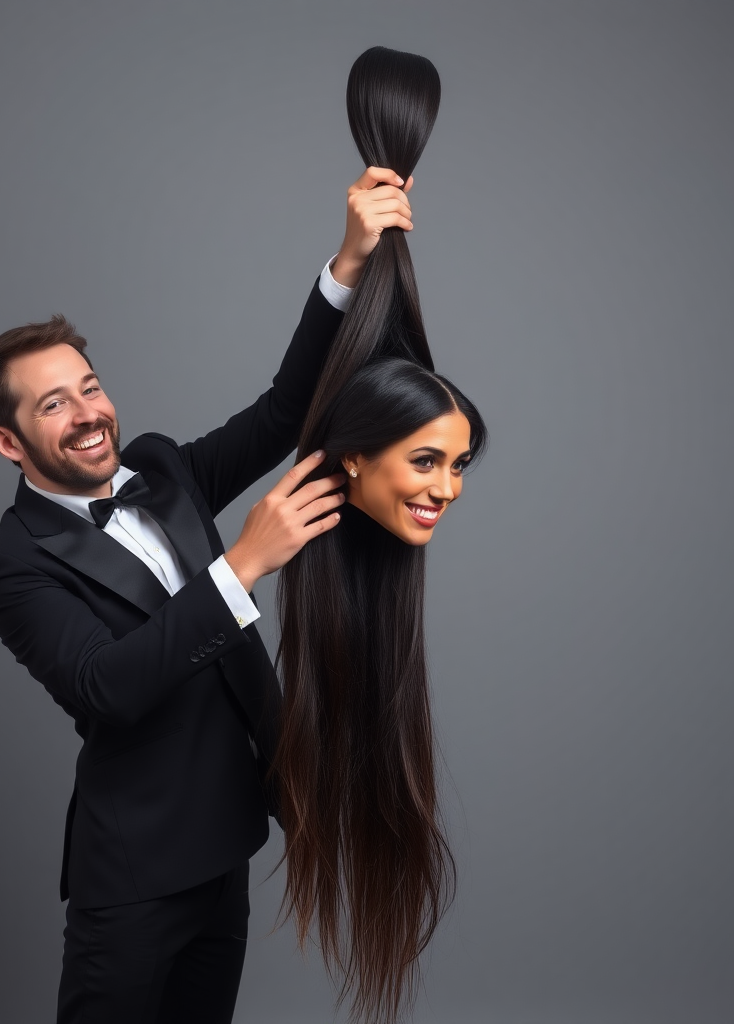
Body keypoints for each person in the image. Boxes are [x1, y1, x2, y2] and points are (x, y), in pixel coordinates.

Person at [0, 166, 413, 1024]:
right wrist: (241, 565)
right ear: (5, 439)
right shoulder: (6, 562)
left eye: (90, 386)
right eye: (53, 404)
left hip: (229, 841)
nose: (88, 412)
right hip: (133, 872)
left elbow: (283, 413)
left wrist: (349, 263)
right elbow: (108, 688)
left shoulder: (163, 470)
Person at [273, 47, 488, 1024]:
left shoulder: (371, 586)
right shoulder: (232, 537)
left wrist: (365, 261)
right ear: (352, 458)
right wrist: (349, 257)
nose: (446, 489)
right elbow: (286, 404)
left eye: (456, 465)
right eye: (426, 462)